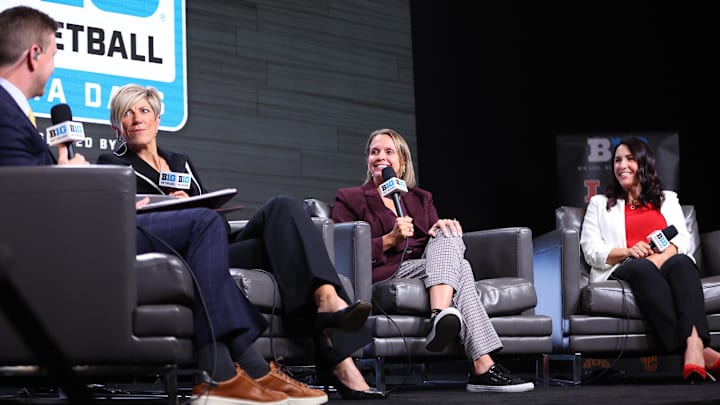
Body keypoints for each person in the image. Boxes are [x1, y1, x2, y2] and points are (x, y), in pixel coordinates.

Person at [0, 6, 333, 405]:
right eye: (54, 54)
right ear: (34, 55)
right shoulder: (7, 114)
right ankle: (238, 372)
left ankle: (234, 372)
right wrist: (69, 178)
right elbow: (23, 201)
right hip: (71, 240)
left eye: (144, 110)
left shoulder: (14, 113)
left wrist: (68, 175)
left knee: (226, 222)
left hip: (85, 227)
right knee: (199, 227)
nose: (54, 65)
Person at [96, 83, 386, 399]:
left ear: (157, 119)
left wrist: (196, 204)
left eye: (144, 110)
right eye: (127, 112)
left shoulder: (180, 161)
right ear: (116, 126)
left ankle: (328, 300)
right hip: (178, 252)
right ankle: (340, 362)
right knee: (289, 255)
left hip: (213, 242)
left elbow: (215, 222)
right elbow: (122, 224)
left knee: (283, 208)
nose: (137, 118)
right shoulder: (111, 164)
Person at [330, 128, 535, 393]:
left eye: (389, 152)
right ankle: (482, 366)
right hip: (383, 270)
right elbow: (343, 251)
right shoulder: (350, 198)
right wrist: (389, 240)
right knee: (461, 267)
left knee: (449, 235)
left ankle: (441, 316)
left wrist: (442, 226)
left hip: (424, 268)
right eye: (374, 152)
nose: (380, 157)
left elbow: (436, 243)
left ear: (402, 163)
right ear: (368, 161)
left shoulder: (420, 198)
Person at [579, 136, 720, 383]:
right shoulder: (600, 204)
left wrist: (661, 258)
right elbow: (591, 249)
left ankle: (695, 347)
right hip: (625, 266)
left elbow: (682, 240)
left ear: (644, 163)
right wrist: (629, 252)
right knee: (643, 268)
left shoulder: (667, 199)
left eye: (630, 159)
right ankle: (698, 349)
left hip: (665, 263)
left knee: (683, 262)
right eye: (617, 160)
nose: (622, 165)